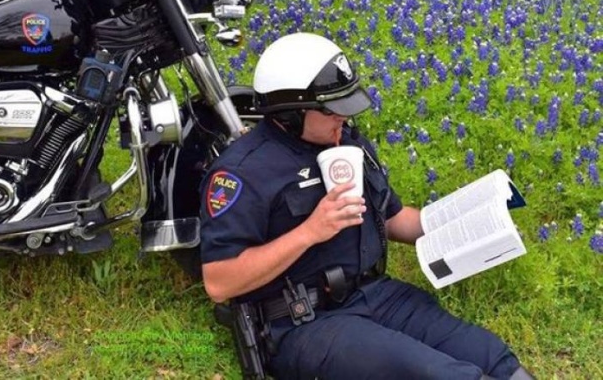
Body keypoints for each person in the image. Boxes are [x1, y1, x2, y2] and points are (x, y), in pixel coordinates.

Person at [199, 32, 533, 379]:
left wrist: (464, 219)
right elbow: (220, 281)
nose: (342, 119)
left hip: (376, 293)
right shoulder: (243, 173)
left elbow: (391, 217)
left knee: (494, 358)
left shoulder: (348, 143)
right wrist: (310, 231)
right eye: (332, 110)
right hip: (304, 321)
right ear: (292, 112)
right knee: (444, 374)